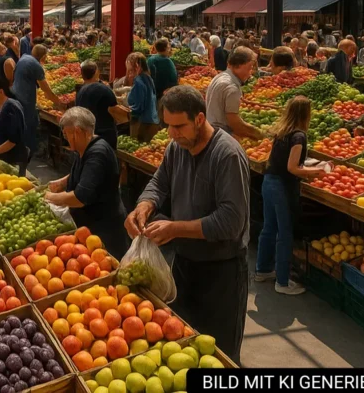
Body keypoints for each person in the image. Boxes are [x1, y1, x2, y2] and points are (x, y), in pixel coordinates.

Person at [124, 85, 250, 363]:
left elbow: (231, 221)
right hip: (184, 265)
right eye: (168, 126)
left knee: (220, 353)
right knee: (183, 343)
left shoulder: (227, 155)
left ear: (200, 119)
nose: (172, 133)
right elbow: (160, 182)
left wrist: (175, 228)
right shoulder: (176, 148)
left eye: (179, 126)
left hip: (221, 273)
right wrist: (144, 205)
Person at [255, 97, 324, 295]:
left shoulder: (282, 132)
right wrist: (316, 172)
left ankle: (262, 270)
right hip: (282, 188)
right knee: (284, 233)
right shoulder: (299, 136)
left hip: (268, 181)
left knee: (269, 228)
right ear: (306, 114)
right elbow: (292, 168)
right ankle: (283, 282)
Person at [45, 107, 129, 259]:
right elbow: (85, 172)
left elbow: (80, 198)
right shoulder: (86, 146)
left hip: (104, 229)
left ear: (77, 131)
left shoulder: (97, 154)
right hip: (91, 225)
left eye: (66, 134)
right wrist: (63, 182)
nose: (66, 138)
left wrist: (49, 197)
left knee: (109, 265)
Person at [11, 44, 62, 157]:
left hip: (16, 94)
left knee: (23, 122)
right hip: (25, 99)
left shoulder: (24, 57)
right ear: (43, 56)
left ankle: (21, 146)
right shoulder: (36, 65)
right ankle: (29, 150)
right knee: (30, 124)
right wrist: (57, 102)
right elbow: (45, 88)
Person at [205, 47, 263, 139]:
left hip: (212, 131)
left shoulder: (219, 77)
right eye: (250, 67)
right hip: (221, 137)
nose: (251, 73)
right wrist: (257, 134)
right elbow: (234, 123)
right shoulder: (232, 88)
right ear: (238, 66)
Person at [75, 60, 119, 150]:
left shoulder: (80, 91)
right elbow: (114, 108)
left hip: (86, 134)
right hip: (103, 134)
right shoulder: (102, 89)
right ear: (96, 72)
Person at [116, 52, 160, 142]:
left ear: (137, 66)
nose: (129, 72)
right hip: (152, 120)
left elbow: (137, 106)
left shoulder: (139, 81)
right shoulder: (148, 77)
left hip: (142, 123)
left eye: (131, 69)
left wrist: (124, 105)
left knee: (139, 145)